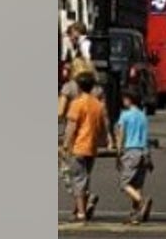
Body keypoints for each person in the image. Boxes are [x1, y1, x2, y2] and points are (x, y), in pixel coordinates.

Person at [60, 73, 107, 224]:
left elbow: (71, 127)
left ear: (79, 86)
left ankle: (81, 213)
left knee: (78, 180)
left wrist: (66, 144)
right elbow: (102, 126)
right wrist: (104, 141)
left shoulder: (77, 103)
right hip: (91, 147)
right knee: (85, 179)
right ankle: (78, 209)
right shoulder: (97, 104)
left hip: (78, 145)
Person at [113, 89, 153, 225]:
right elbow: (146, 137)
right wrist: (149, 157)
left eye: (124, 98)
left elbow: (121, 134)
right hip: (143, 152)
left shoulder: (125, 115)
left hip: (131, 151)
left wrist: (118, 152)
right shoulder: (143, 116)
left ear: (129, 100)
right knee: (137, 185)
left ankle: (142, 202)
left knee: (124, 184)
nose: (123, 101)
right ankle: (135, 215)